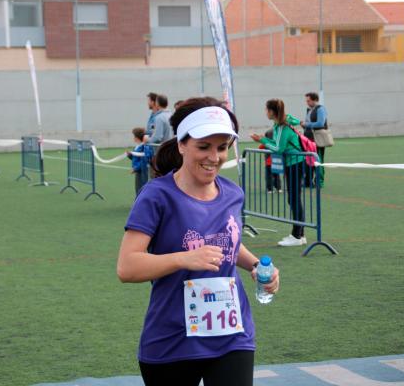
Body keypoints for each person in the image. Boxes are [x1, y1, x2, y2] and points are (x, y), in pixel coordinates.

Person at [117, 97, 279, 386]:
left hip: (232, 335)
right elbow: (127, 267)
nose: (213, 157)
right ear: (181, 144)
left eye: (221, 148)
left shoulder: (232, 193)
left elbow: (228, 242)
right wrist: (183, 258)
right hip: (172, 339)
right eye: (203, 147)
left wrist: (255, 265)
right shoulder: (157, 196)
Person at [251, 99, 306, 247]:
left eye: (266, 109)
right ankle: (300, 234)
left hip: (295, 164)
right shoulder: (281, 123)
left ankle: (296, 235)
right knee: (294, 199)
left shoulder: (282, 127)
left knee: (294, 199)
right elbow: (294, 120)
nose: (265, 112)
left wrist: (261, 139)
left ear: (272, 112)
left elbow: (278, 148)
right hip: (293, 164)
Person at [301, 92, 328, 188]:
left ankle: (319, 182)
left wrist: (306, 124)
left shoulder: (320, 109)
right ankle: (308, 181)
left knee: (318, 160)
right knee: (308, 160)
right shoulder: (309, 110)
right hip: (308, 139)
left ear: (314, 100)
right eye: (306, 101)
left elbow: (321, 123)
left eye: (308, 100)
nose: (307, 102)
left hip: (318, 139)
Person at [127, 127, 155, 196]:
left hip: (142, 170)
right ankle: (139, 201)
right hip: (138, 171)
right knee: (137, 187)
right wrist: (130, 155)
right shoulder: (137, 146)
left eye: (134, 136)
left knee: (142, 186)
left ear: (136, 138)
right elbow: (136, 158)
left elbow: (144, 160)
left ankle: (143, 202)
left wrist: (135, 168)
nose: (133, 138)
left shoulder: (144, 147)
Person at [258, 129, 282, 193]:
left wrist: (263, 140)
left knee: (269, 176)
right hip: (276, 161)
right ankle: (278, 188)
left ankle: (270, 189)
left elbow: (260, 147)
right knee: (277, 175)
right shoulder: (277, 143)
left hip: (268, 162)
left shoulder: (266, 143)